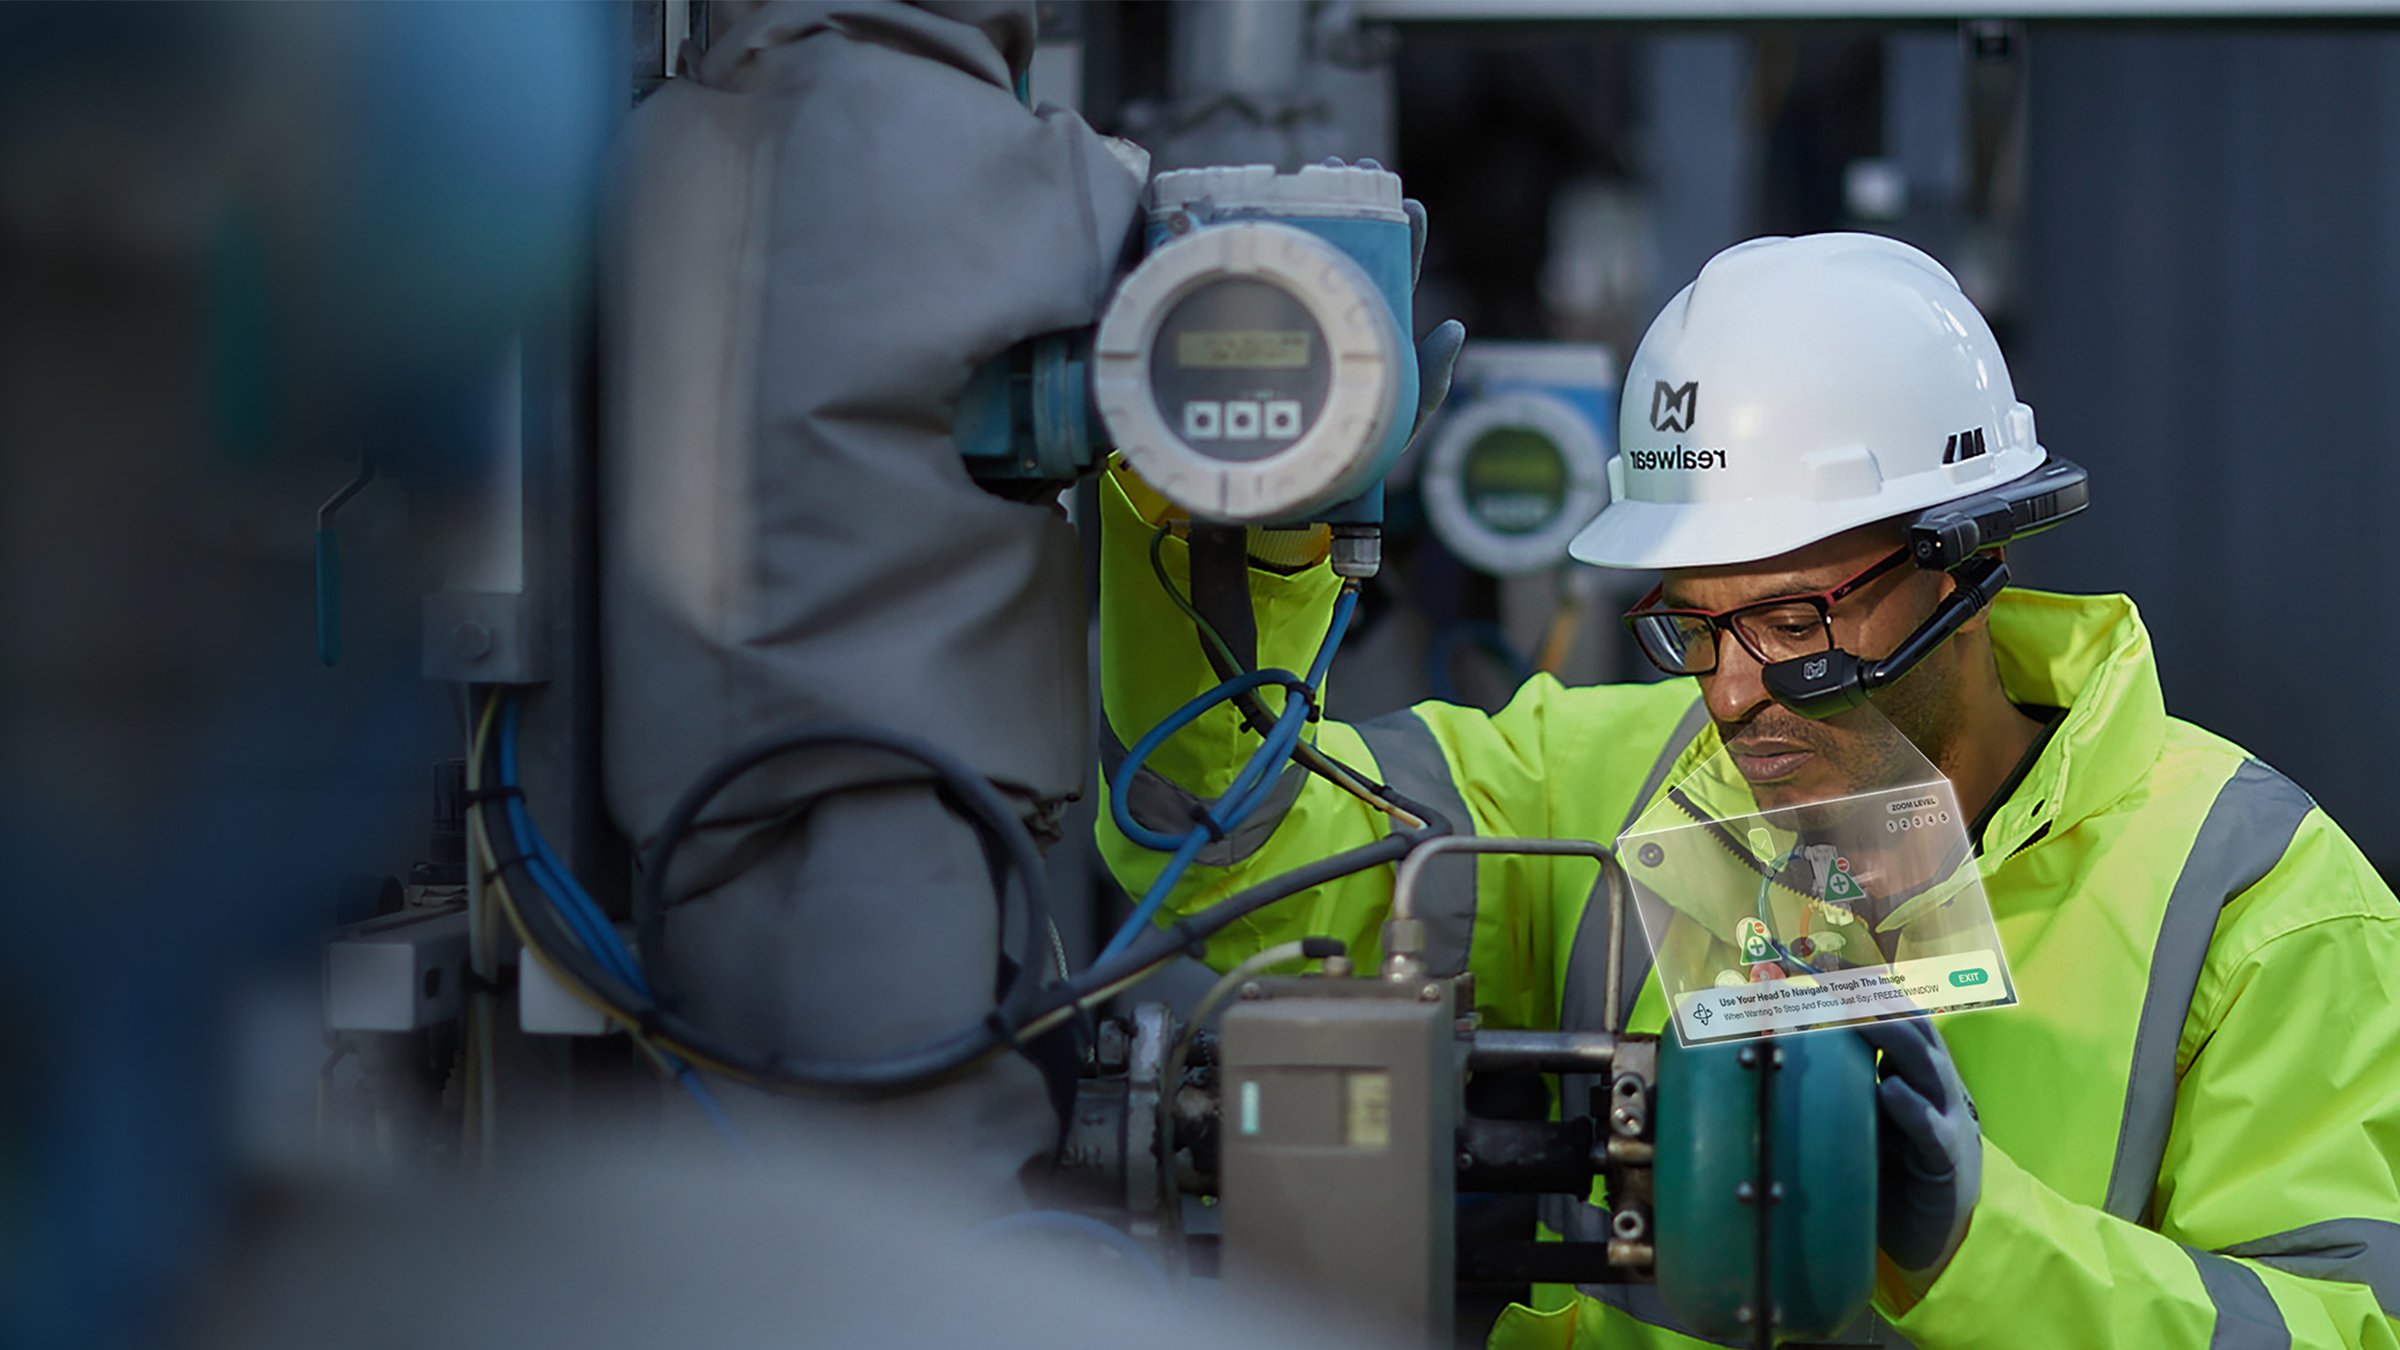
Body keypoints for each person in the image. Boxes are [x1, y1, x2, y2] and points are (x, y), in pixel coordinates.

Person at [1097, 233, 2400, 1348]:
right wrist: (1232, 531)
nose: (1728, 695)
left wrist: (1974, 1238)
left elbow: (2338, 1325)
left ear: (1962, 562)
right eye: (1692, 625)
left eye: (1788, 616)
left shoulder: (2255, 904)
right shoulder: (1598, 784)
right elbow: (1239, 851)